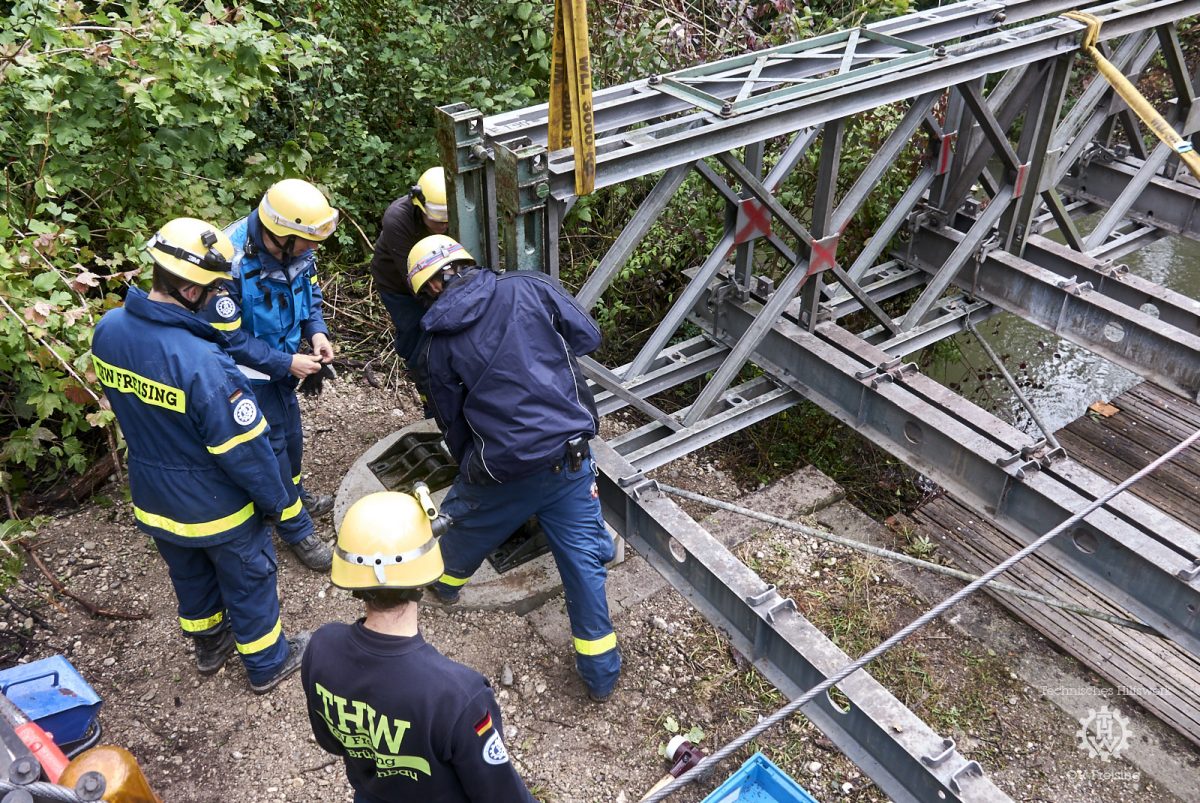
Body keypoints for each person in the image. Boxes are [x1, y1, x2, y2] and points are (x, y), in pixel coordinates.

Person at [91, 217, 310, 694]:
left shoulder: (107, 331)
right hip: (218, 509)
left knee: (189, 575)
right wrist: (285, 510)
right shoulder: (204, 364)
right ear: (192, 291)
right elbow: (249, 454)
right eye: (215, 287)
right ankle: (268, 661)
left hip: (154, 497)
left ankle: (210, 645)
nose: (219, 296)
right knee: (249, 580)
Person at [409, 235, 621, 703]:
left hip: (501, 468)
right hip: (568, 459)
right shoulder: (531, 287)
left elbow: (451, 420)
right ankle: (601, 676)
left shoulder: (436, 345)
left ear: (430, 290)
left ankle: (443, 585)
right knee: (584, 569)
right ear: (466, 262)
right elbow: (588, 336)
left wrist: (474, 466)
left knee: (463, 519)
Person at [302, 490, 535, 803]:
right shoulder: (458, 695)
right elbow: (501, 795)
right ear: (422, 577)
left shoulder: (321, 648)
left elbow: (330, 741)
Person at [213, 178, 340, 571]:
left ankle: (295, 497)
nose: (312, 250)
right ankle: (296, 529)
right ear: (279, 234)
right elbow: (228, 340)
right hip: (244, 381)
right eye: (305, 243)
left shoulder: (298, 248)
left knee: (293, 441)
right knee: (272, 453)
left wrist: (315, 331)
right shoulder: (228, 262)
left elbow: (310, 294)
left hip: (281, 371)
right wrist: (288, 363)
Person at [370, 167, 450, 364]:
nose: (443, 226)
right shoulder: (397, 219)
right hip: (398, 283)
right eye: (437, 220)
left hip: (439, 273)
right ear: (419, 204)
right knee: (414, 329)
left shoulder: (454, 211)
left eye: (447, 220)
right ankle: (418, 374)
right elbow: (412, 277)